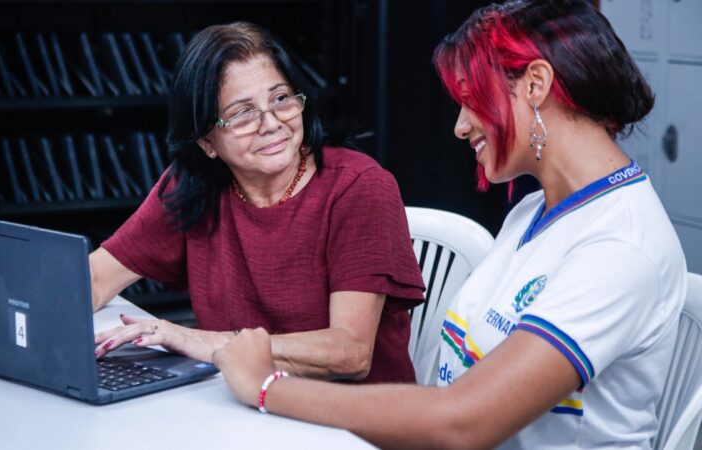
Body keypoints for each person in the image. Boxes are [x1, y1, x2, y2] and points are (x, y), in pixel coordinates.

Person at [211, 1, 688, 448]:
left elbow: (464, 421)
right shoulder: (532, 212)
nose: (460, 126)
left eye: (471, 98)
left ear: (536, 84)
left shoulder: (620, 246)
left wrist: (266, 386)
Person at [90, 22, 425, 384]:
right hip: (245, 406)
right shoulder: (193, 186)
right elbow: (93, 279)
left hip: (351, 425)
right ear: (206, 141)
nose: (270, 123)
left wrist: (204, 341)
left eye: (281, 99)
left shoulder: (359, 187)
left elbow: (349, 353)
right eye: (242, 113)